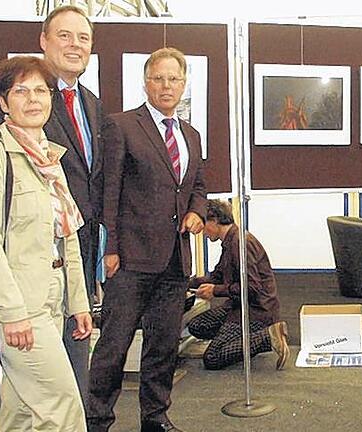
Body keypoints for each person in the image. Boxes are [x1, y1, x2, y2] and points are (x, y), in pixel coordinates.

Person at [0, 5, 104, 400]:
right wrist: (8, 308)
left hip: (71, 272)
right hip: (23, 287)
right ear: (43, 41)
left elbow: (80, 201)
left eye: (83, 38)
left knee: (36, 401)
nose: (75, 45)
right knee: (58, 401)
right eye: (64, 35)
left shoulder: (91, 106)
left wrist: (85, 287)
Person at [87, 47, 207, 432]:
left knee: (163, 346)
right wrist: (111, 248)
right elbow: (109, 192)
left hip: (174, 261)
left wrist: (197, 212)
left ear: (184, 84)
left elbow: (198, 186)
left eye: (174, 78)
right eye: (159, 78)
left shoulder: (191, 134)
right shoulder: (121, 126)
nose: (167, 86)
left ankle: (155, 418)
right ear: (146, 82)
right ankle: (98, 420)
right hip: (131, 261)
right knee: (114, 347)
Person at [187, 199, 290, 371]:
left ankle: (268, 335)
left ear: (214, 220)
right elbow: (217, 275)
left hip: (256, 311)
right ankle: (241, 340)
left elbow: (251, 288)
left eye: (202, 225)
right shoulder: (230, 241)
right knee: (197, 326)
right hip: (238, 306)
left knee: (212, 358)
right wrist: (186, 283)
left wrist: (215, 291)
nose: (201, 232)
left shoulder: (240, 244)